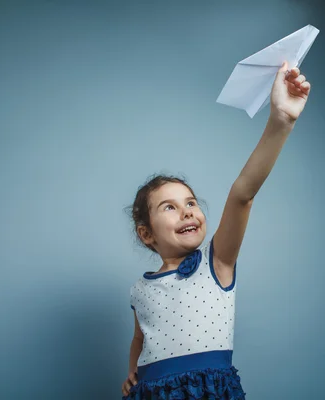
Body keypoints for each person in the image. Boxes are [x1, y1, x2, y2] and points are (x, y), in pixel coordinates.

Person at [122, 61, 311, 399]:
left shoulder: (217, 262)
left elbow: (243, 195)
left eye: (191, 203)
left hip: (209, 390)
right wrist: (132, 371)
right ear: (146, 234)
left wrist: (280, 121)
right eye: (170, 207)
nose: (187, 212)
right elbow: (140, 337)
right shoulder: (139, 290)